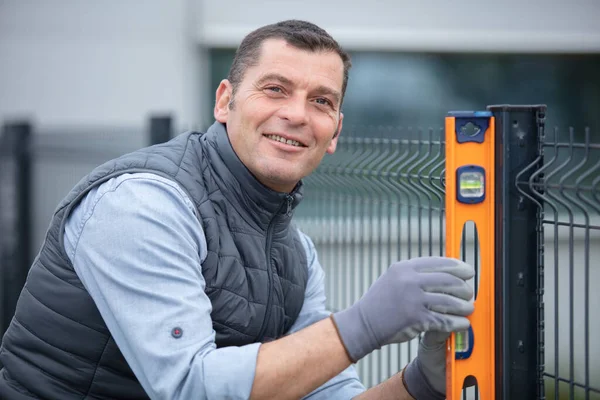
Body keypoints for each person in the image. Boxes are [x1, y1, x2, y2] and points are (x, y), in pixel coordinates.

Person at [0, 19, 475, 400]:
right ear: (225, 101)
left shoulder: (296, 253)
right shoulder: (141, 204)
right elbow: (189, 386)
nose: (296, 114)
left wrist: (422, 384)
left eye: (321, 101)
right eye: (275, 89)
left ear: (335, 132)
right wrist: (365, 324)